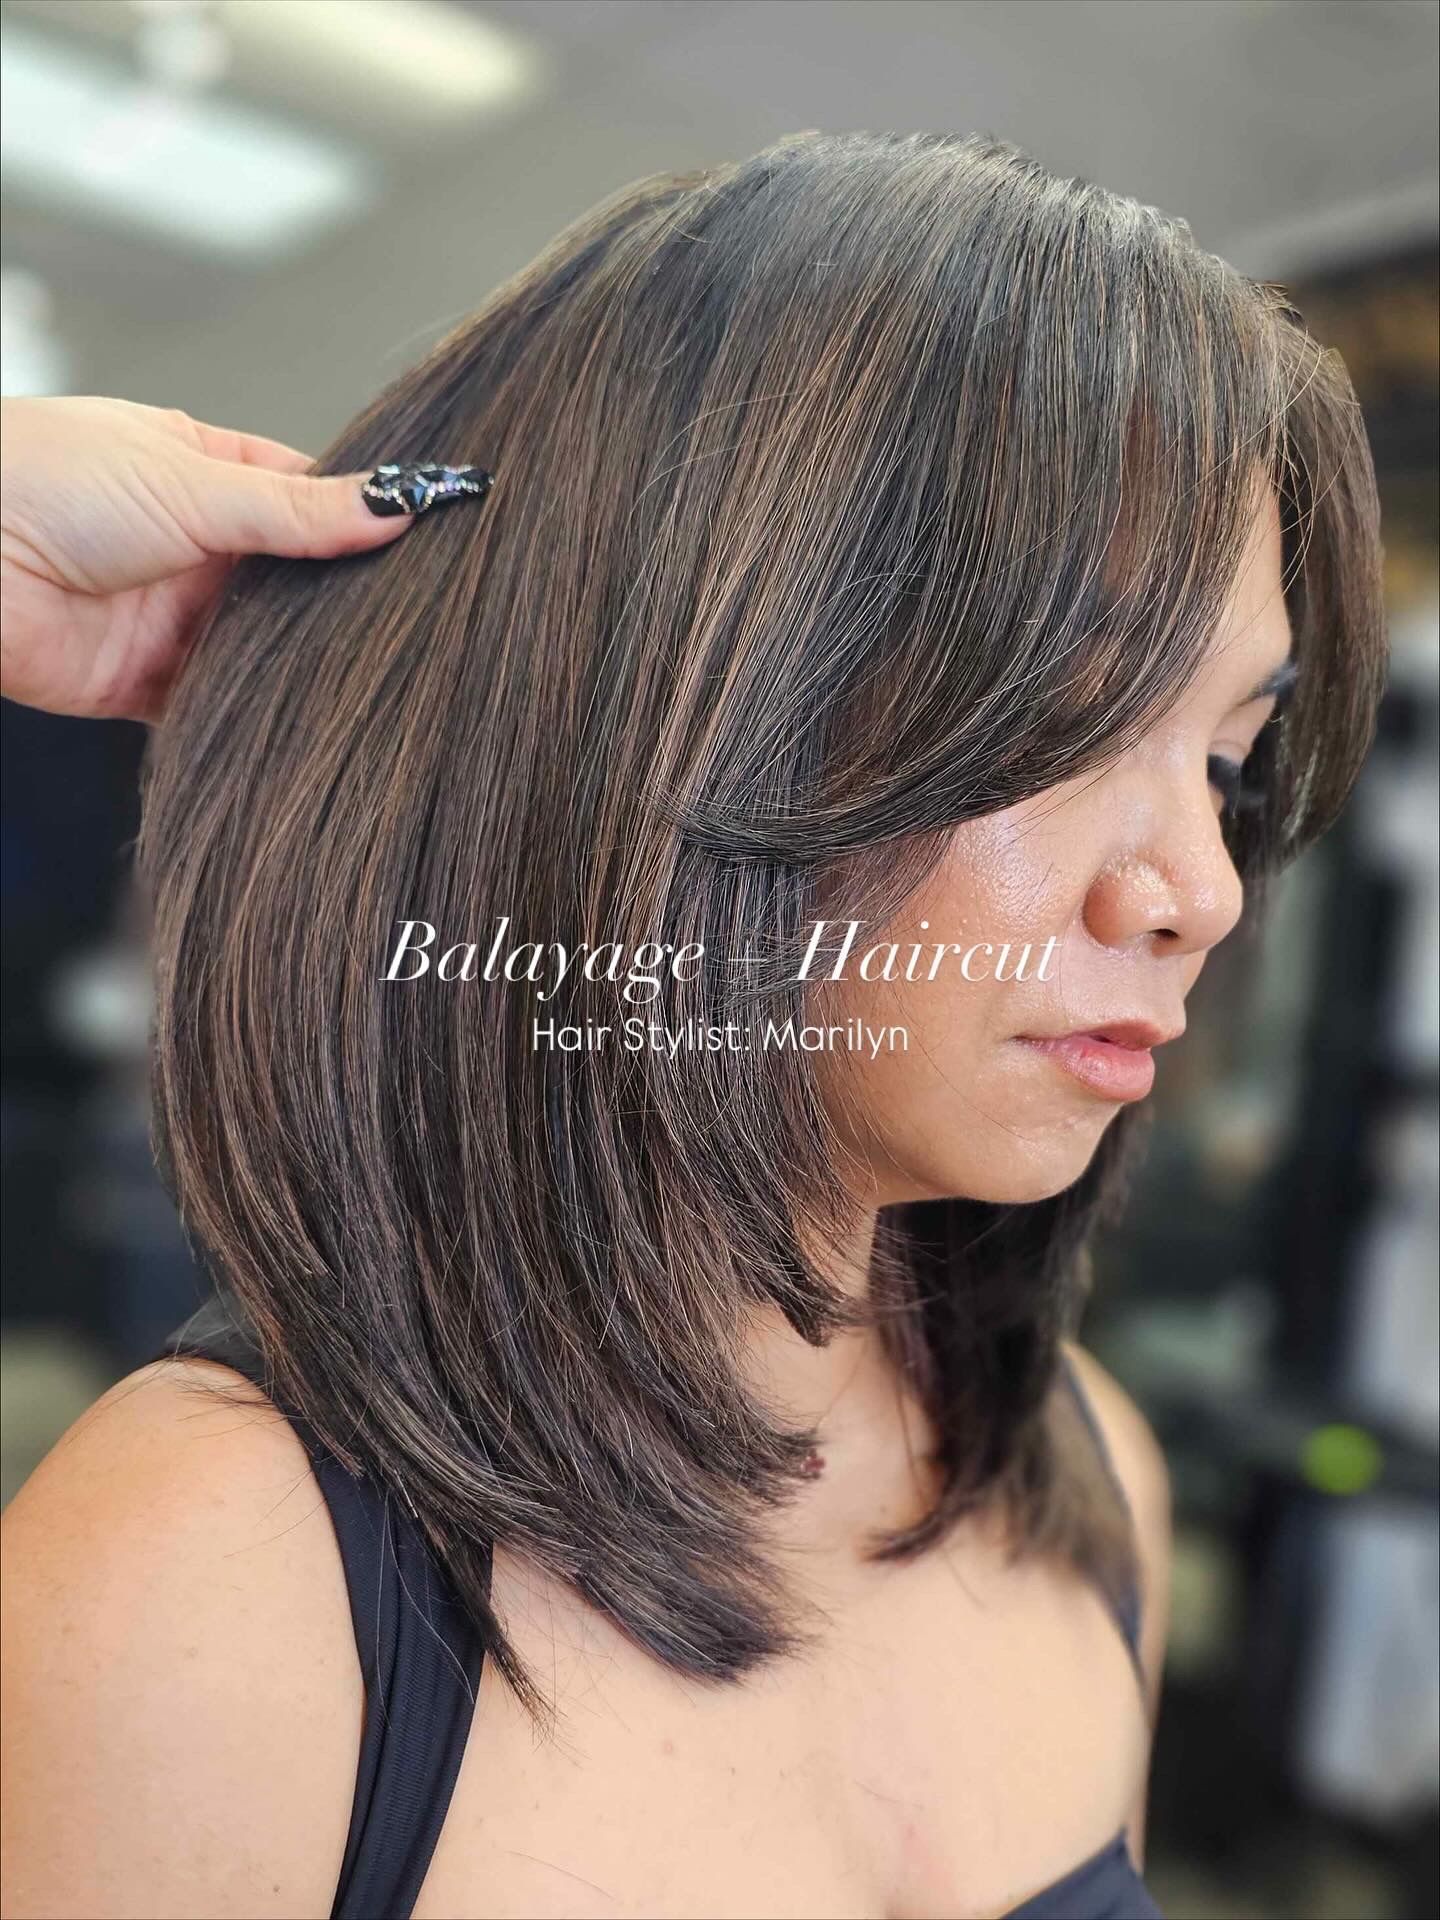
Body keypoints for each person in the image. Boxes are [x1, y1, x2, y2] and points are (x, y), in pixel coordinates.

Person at [0, 130, 1385, 1920]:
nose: (1195, 884)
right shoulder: (209, 1582)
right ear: (669, 718)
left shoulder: (1080, 1482)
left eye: (1225, 761)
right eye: (1061, 726)